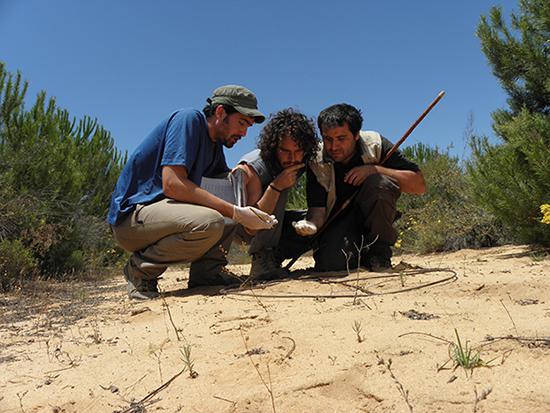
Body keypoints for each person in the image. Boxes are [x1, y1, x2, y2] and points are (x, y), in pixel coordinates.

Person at [107, 85, 277, 300]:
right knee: (212, 220)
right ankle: (139, 272)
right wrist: (236, 211)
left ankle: (207, 274)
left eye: (248, 126)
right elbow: (173, 184)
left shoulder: (215, 147)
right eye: (241, 123)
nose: (244, 133)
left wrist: (249, 197)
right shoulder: (188, 120)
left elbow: (227, 190)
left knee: (226, 211)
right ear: (220, 112)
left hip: (163, 218)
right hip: (132, 219)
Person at [292, 103, 426, 271]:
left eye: (341, 139)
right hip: (339, 220)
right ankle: (360, 254)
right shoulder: (316, 159)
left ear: (356, 135)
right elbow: (317, 210)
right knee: (331, 265)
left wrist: (374, 169)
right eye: (328, 139)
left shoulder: (375, 144)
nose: (333, 147)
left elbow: (419, 186)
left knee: (380, 183)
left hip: (375, 215)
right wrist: (311, 225)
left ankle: (379, 253)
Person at [234, 108, 319, 280]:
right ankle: (262, 260)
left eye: (298, 151)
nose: (292, 158)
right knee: (275, 196)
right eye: (285, 151)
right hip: (240, 228)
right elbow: (249, 226)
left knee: (312, 222)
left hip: (273, 227)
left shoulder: (299, 163)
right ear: (273, 147)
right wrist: (276, 187)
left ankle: (274, 257)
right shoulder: (253, 168)